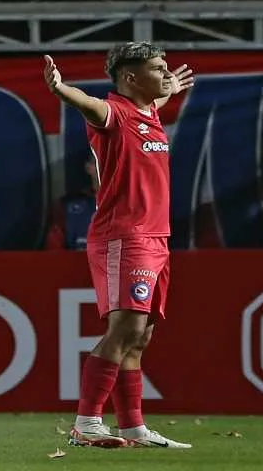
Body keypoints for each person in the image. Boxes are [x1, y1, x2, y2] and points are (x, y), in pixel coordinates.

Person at [43, 42, 193, 449]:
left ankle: (132, 427)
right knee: (125, 328)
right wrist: (61, 89)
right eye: (157, 68)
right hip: (124, 237)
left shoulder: (149, 112)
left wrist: (168, 91)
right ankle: (86, 423)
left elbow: (157, 97)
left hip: (156, 238)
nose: (165, 74)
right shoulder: (115, 114)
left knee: (140, 336)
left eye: (165, 68)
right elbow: (88, 104)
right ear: (129, 77)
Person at [45, 155, 98, 250]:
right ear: (88, 167)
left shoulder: (126, 205)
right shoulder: (68, 204)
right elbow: (55, 246)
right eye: (98, 162)